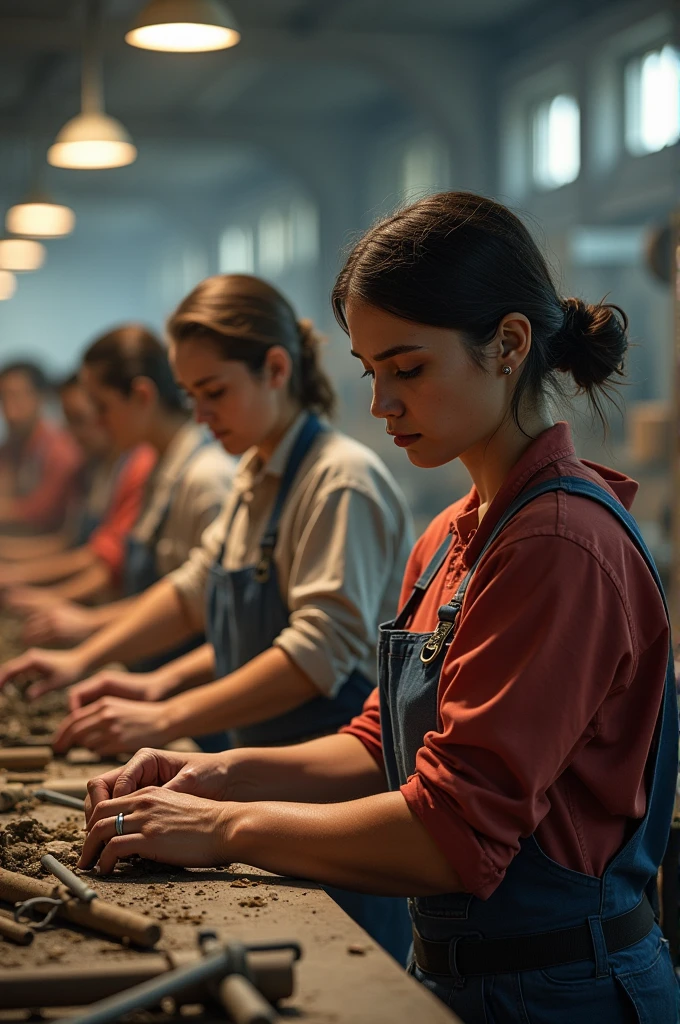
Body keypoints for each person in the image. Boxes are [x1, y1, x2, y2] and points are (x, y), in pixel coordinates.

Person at [75, 195, 677, 1023]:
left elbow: (452, 832)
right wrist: (208, 770)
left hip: (564, 988)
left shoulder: (558, 546)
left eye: (410, 368)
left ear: (508, 344)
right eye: (371, 372)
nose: (380, 405)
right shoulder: (454, 533)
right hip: (470, 970)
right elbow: (378, 746)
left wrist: (224, 826)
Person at [0, 273, 415, 961]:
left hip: (326, 802)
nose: (199, 415)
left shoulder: (338, 481)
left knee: (344, 968)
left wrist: (167, 714)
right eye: (191, 396)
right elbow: (200, 595)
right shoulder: (256, 474)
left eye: (214, 392)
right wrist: (101, 665)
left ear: (275, 369)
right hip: (258, 778)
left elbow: (313, 652)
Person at [3, 324, 233, 622]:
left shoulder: (206, 476)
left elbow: (198, 608)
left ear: (141, 396)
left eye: (101, 407)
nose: (97, 423)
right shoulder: (155, 465)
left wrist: (80, 622)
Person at [0, 361, 82, 535]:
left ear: (40, 396)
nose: (9, 408)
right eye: (3, 398)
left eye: (15, 396)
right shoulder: (10, 448)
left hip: (50, 548)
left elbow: (42, 512)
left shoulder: (59, 448)